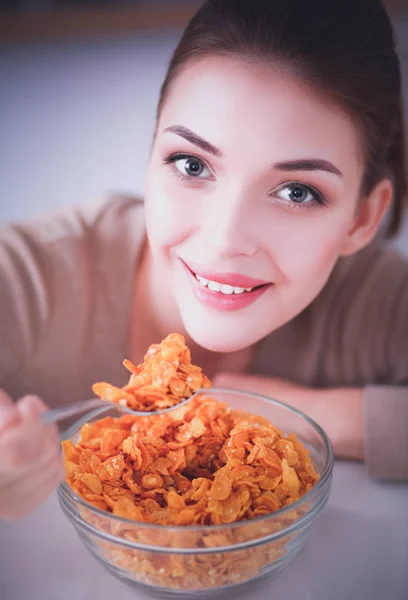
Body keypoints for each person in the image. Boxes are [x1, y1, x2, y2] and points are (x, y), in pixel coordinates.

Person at [1, 0, 407, 520]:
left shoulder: (375, 300)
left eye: (297, 192)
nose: (224, 238)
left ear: (361, 221)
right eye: (192, 164)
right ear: (150, 154)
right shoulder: (29, 276)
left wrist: (279, 406)